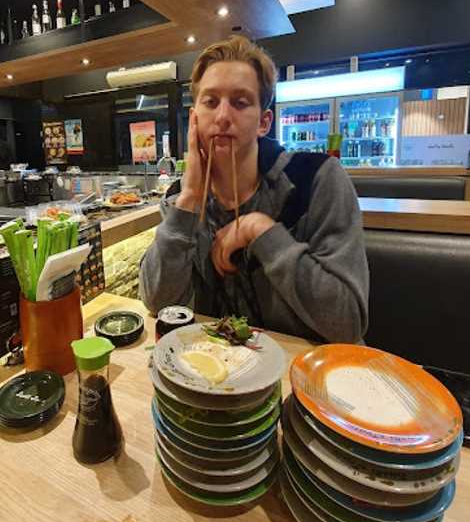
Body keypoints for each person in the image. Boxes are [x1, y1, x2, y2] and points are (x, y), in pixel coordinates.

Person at [139, 36, 369, 343]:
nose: (222, 116)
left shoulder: (317, 179)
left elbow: (347, 322)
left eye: (240, 102)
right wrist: (190, 200)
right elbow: (157, 303)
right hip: (219, 367)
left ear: (263, 122)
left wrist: (261, 231)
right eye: (210, 102)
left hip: (305, 370)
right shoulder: (181, 198)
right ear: (194, 118)